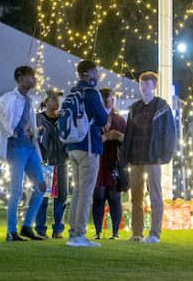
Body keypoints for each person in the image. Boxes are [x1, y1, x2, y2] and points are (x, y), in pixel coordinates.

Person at [0, 66, 47, 242]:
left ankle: (27, 226)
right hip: (16, 149)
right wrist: (9, 131)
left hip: (29, 147)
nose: (34, 79)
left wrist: (36, 132)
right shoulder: (9, 97)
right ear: (21, 78)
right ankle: (11, 230)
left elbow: (27, 125)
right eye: (31, 76)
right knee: (16, 189)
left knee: (41, 186)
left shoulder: (28, 100)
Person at [122, 71, 178, 244]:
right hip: (136, 157)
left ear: (154, 86)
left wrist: (164, 155)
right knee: (136, 197)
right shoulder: (135, 108)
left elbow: (169, 134)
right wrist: (125, 156)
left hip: (153, 157)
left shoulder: (162, 107)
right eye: (141, 83)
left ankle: (155, 234)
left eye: (146, 84)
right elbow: (129, 133)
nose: (143, 87)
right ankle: (137, 233)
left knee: (155, 196)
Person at [61, 60, 108, 248]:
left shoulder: (71, 92)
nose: (97, 76)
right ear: (89, 74)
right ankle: (79, 234)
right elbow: (103, 118)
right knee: (86, 193)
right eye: (95, 72)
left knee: (78, 192)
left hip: (72, 147)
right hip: (89, 147)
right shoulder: (91, 93)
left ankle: (73, 232)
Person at [92, 88, 127, 240]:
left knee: (114, 197)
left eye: (114, 98)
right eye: (109, 98)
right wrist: (103, 138)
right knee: (98, 196)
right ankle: (98, 231)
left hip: (114, 161)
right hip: (98, 161)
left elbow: (127, 140)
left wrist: (118, 136)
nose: (112, 101)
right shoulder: (93, 118)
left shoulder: (119, 120)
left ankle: (115, 232)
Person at [36, 88, 68, 239]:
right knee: (42, 196)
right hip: (44, 163)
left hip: (61, 161)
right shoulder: (38, 119)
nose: (57, 102)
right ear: (46, 102)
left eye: (58, 99)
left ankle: (58, 229)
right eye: (54, 99)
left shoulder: (64, 118)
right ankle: (41, 228)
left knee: (62, 196)